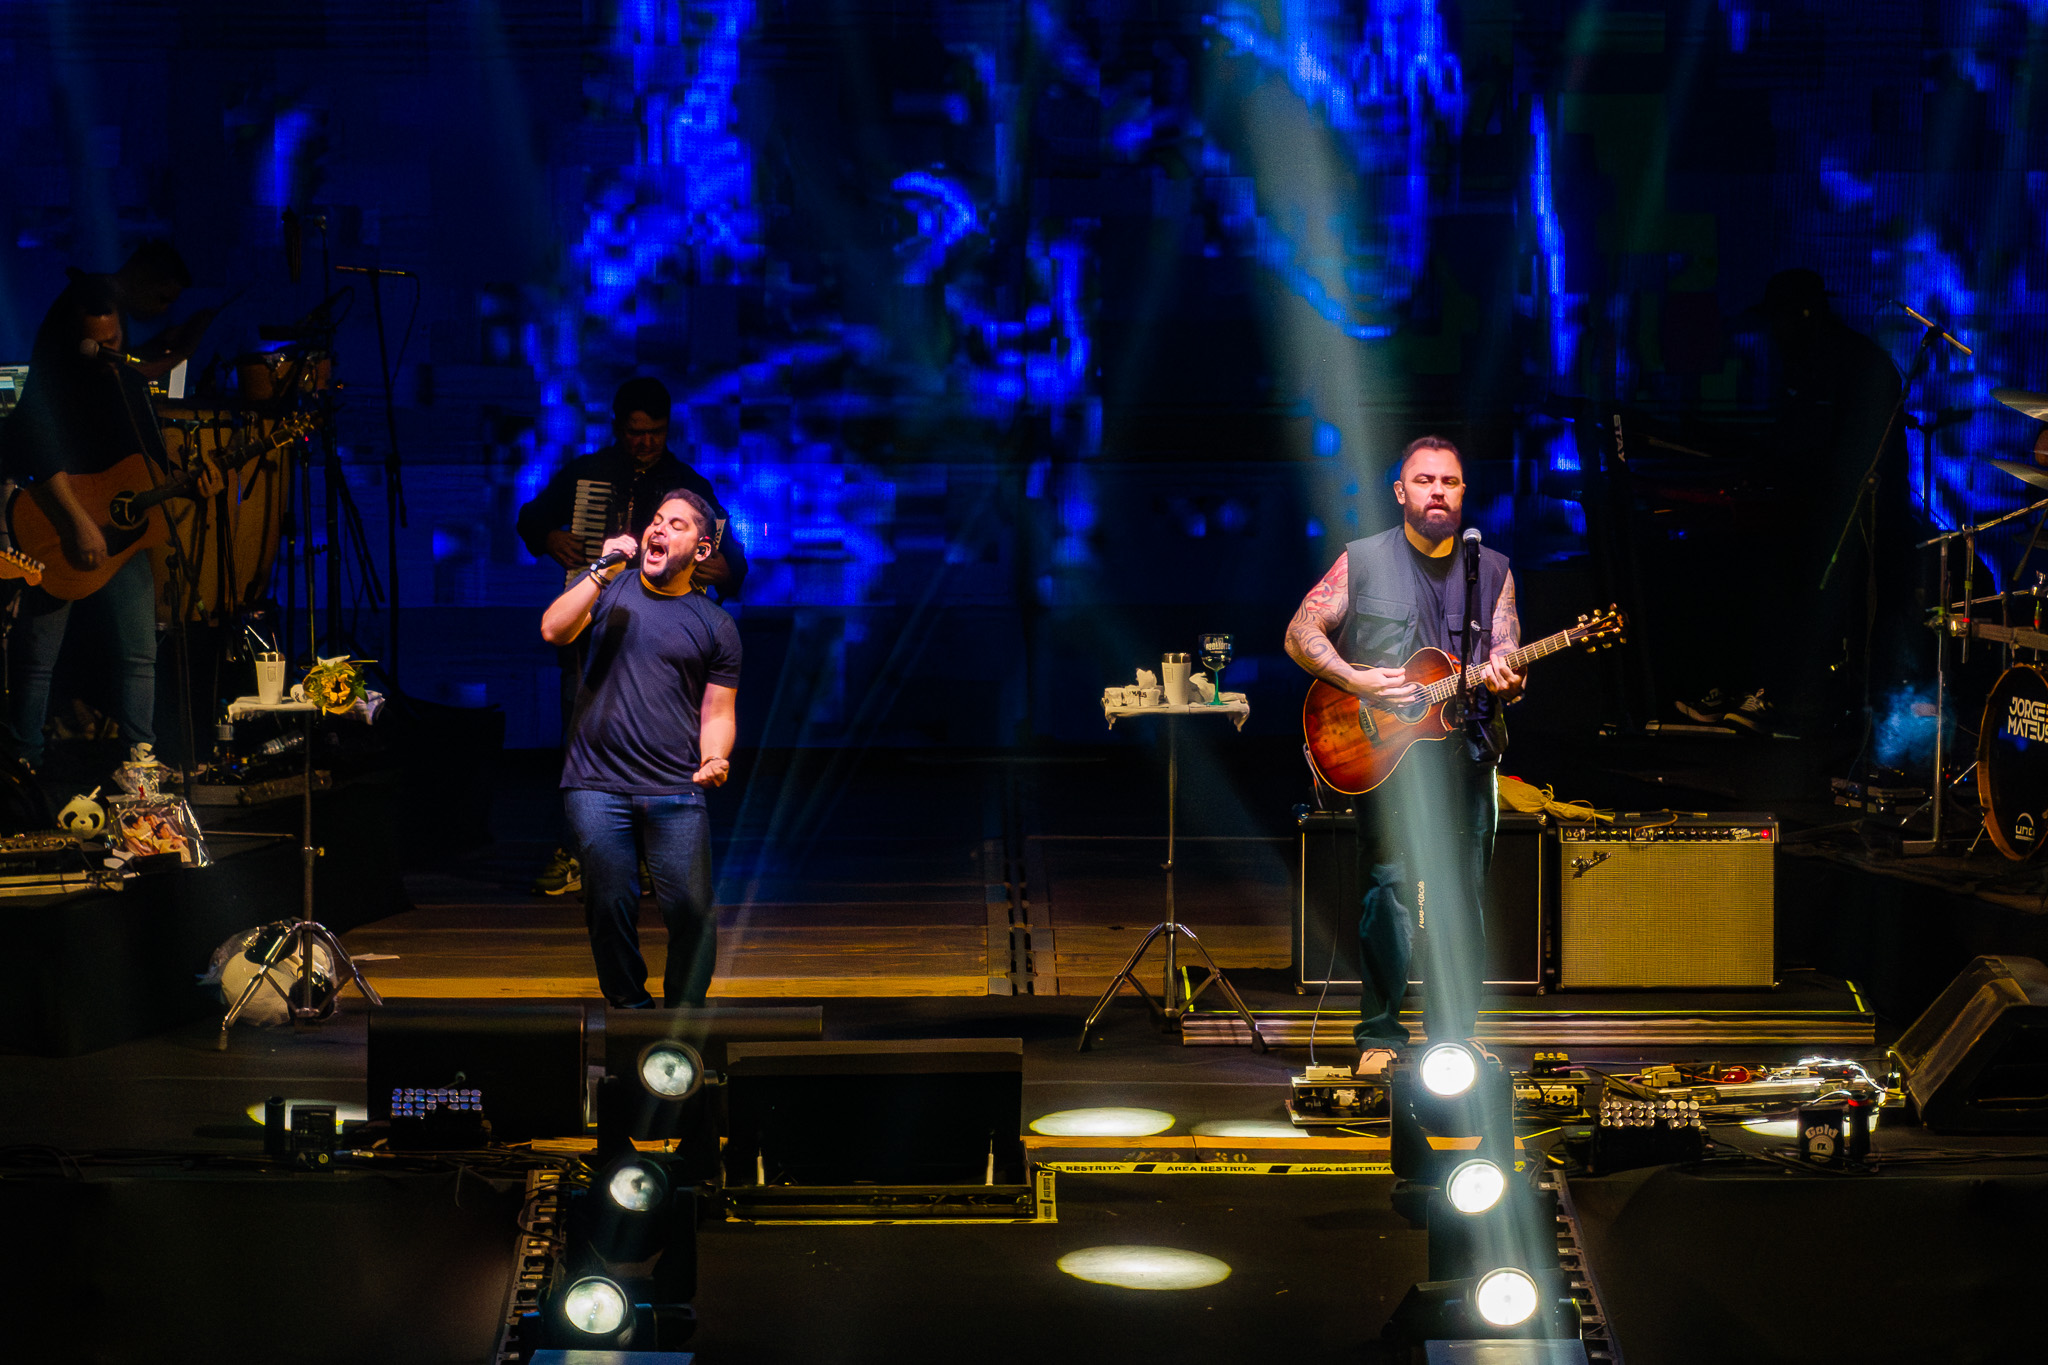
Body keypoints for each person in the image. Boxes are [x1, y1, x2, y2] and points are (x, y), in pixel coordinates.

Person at [1283, 436, 1523, 1077]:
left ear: (1464, 492)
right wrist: (1355, 679)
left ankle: (1452, 1037)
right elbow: (1301, 631)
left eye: (1449, 481)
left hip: (1467, 757)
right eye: (1424, 480)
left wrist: (1510, 678)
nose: (1437, 491)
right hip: (1384, 755)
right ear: (1401, 492)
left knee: (1462, 898)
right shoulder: (1362, 562)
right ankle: (1378, 1036)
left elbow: (1506, 654)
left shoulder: (1492, 571)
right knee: (1387, 894)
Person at [517, 376, 748, 895]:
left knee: (662, 736)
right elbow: (531, 517)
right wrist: (549, 536)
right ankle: (579, 846)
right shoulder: (590, 474)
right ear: (619, 428)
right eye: (636, 432)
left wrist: (721, 572)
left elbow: (735, 567)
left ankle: (646, 852)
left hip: (664, 634)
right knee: (580, 731)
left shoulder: (688, 487)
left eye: (656, 432)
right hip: (596, 625)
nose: (645, 442)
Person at [0, 275, 218, 769]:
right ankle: (24, 766)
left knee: (140, 654)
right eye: (95, 343)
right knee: (38, 662)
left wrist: (191, 480)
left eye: (114, 339)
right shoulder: (51, 378)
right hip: (58, 528)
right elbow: (36, 449)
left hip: (122, 535)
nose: (107, 350)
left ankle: (139, 762)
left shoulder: (129, 381)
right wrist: (77, 521)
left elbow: (144, 464)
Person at [541, 488, 739, 1009]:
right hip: (595, 781)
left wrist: (715, 756)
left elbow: (717, 711)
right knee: (609, 903)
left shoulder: (715, 625)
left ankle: (681, 1017)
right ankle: (631, 1010)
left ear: (700, 550)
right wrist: (603, 567)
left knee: (693, 910)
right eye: (656, 519)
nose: (659, 529)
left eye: (676, 525)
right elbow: (554, 629)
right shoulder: (608, 588)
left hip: (675, 785)